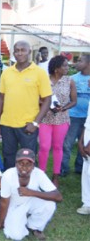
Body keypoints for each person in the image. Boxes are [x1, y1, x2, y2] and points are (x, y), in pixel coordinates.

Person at [0, 41, 52, 170]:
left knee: (28, 158)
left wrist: (35, 123)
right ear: (13, 53)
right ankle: (9, 187)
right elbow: (1, 98)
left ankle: (29, 187)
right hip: (7, 124)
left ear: (29, 52)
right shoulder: (6, 72)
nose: (19, 53)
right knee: (8, 157)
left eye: (23, 50)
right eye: (16, 50)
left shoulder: (39, 73)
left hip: (28, 125)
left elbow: (47, 100)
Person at [0, 148, 62, 240]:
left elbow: (58, 197)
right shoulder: (8, 175)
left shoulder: (38, 173)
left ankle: (34, 226)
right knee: (16, 236)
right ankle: (16, 218)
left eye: (28, 164)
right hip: (13, 205)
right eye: (21, 164)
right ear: (15, 164)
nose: (24, 167)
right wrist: (1, 221)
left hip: (30, 201)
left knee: (50, 204)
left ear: (33, 166)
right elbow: (4, 201)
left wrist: (31, 192)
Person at [38, 55, 76, 187]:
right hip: (45, 118)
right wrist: (46, 105)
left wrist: (62, 108)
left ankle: (56, 175)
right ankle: (41, 174)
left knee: (58, 147)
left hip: (62, 118)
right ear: (56, 68)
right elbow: (37, 98)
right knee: (44, 146)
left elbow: (74, 101)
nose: (67, 67)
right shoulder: (44, 80)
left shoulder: (69, 81)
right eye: (65, 65)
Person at [61, 53, 90, 176]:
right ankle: (63, 169)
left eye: (80, 61)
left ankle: (81, 168)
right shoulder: (72, 78)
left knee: (84, 144)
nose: (76, 63)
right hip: (73, 116)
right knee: (67, 143)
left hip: (88, 118)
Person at [77, 101, 90, 215]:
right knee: (86, 171)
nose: (88, 81)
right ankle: (87, 203)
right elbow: (88, 122)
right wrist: (81, 141)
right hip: (87, 134)